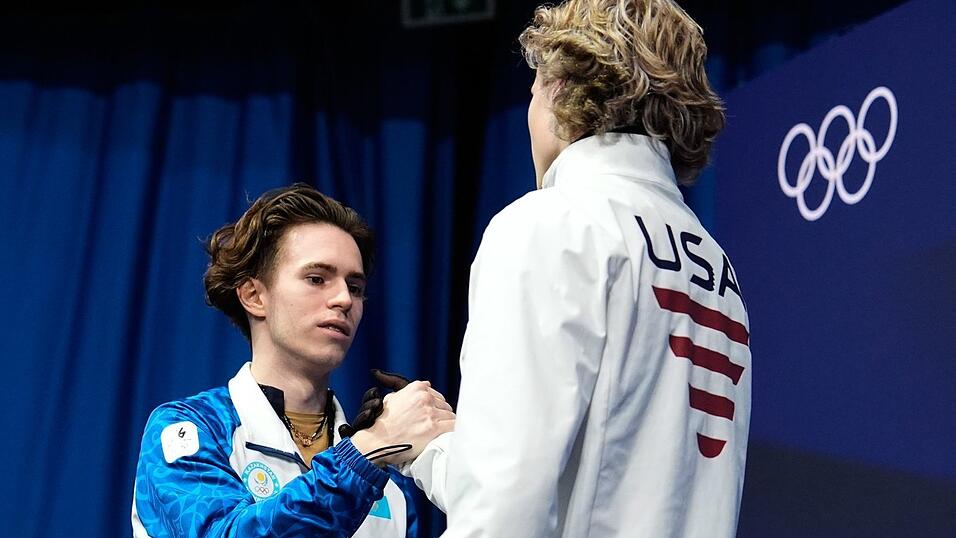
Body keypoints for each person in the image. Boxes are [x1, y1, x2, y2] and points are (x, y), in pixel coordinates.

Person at [402, 1, 752, 536]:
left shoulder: (552, 224)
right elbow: (613, 477)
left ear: (560, 88)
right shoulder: (714, 265)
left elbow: (505, 502)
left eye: (533, 90)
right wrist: (436, 451)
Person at [131, 184, 455, 537]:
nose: (344, 299)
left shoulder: (389, 478)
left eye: (355, 287)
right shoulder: (190, 428)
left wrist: (455, 451)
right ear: (254, 296)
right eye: (317, 279)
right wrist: (367, 451)